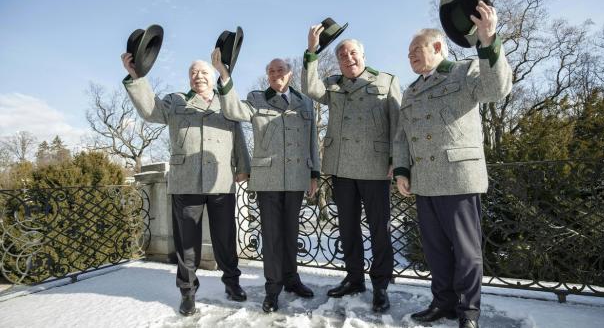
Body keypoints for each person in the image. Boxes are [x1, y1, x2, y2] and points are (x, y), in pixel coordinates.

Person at [393, 1, 512, 328]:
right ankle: (442, 302)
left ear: (437, 46)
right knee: (435, 251)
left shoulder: (465, 71)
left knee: (466, 252)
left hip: (458, 177)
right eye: (408, 53)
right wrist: (402, 170)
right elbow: (402, 135)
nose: (411, 56)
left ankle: (468, 312)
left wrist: (489, 42)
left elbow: (497, 88)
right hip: (425, 181)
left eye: (416, 49)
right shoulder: (411, 91)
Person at [120, 53, 251, 316]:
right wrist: (136, 77)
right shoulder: (175, 101)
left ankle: (232, 283)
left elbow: (237, 135)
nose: (198, 76)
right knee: (186, 244)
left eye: (203, 72)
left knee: (224, 238)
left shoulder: (226, 102)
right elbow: (150, 111)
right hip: (185, 181)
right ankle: (187, 292)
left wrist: (243, 167)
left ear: (213, 77)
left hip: (220, 179)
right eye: (193, 72)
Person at [301, 25, 401, 313]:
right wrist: (312, 51)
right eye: (343, 55)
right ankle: (354, 278)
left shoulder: (386, 80)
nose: (348, 58)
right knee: (347, 228)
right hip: (342, 166)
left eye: (353, 53)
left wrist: (397, 159)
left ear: (363, 55)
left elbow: (398, 123)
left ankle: (381, 284)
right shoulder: (333, 84)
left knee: (379, 230)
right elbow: (310, 87)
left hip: (376, 167)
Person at [212, 49, 320, 313]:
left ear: (289, 73)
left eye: (280, 70)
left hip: (296, 178)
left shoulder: (305, 102)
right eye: (271, 71)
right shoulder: (256, 99)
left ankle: (292, 280)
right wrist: (224, 76)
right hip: (268, 178)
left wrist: (314, 174)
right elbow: (233, 109)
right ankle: (273, 288)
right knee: (272, 237)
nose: (275, 75)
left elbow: (312, 140)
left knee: (291, 233)